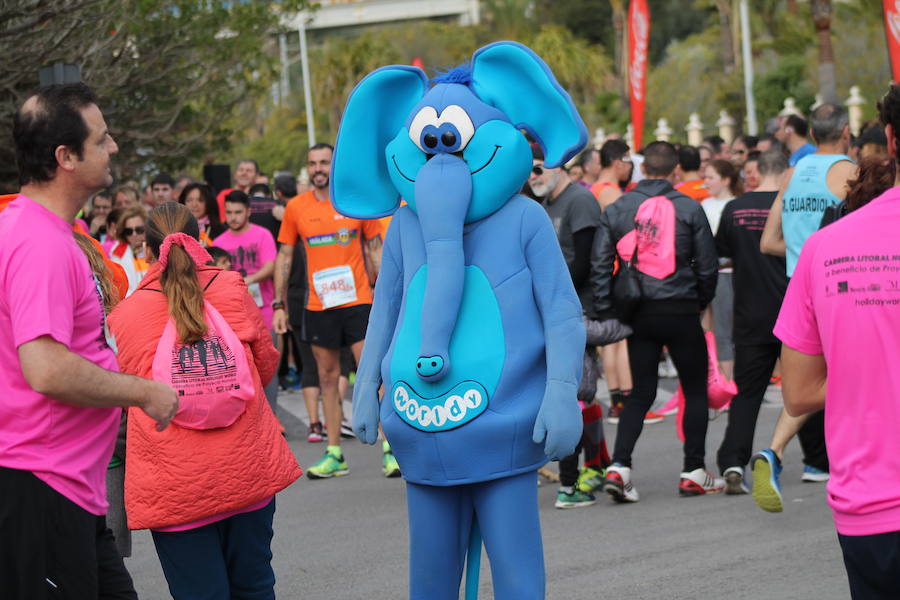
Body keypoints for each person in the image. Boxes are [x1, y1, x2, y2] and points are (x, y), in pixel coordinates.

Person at [1, 82, 178, 600]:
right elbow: (47, 369)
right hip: (43, 489)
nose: (114, 147)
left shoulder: (34, 230)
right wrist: (144, 392)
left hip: (67, 490)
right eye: (102, 139)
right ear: (66, 157)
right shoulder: (39, 243)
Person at [109, 202, 301, 599]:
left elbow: (124, 394)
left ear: (147, 249)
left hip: (176, 485)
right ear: (201, 241)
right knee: (256, 586)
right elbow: (264, 365)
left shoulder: (126, 314)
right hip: (246, 469)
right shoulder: (232, 288)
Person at [773, 85, 900, 599]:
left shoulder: (827, 246)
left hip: (872, 506)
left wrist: (866, 368)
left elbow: (799, 393)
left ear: (889, 139)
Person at [592, 141, 721, 502]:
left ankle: (619, 466)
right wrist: (698, 301)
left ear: (642, 168)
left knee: (641, 393)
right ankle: (693, 470)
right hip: (680, 308)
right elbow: (708, 265)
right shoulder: (689, 208)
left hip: (638, 312)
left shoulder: (618, 207)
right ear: (676, 170)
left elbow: (600, 264)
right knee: (694, 389)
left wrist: (608, 311)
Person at [753, 103, 855, 512]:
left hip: (798, 285)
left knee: (805, 384)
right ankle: (851, 463)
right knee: (849, 373)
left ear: (811, 131)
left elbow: (767, 242)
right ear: (846, 131)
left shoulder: (793, 174)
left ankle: (774, 452)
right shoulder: (849, 172)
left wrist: (803, 253)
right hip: (841, 283)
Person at [273, 143, 389, 478]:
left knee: (374, 376)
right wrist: (279, 303)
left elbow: (374, 250)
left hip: (358, 302)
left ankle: (390, 449)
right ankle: (335, 452)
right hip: (318, 305)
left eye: (324, 162)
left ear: (334, 164)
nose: (319, 168)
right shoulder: (296, 207)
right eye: (313, 163)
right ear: (307, 169)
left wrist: (386, 295)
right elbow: (285, 257)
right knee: (326, 378)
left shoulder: (354, 203)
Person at [529, 146, 607, 509]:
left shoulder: (580, 201)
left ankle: (577, 477)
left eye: (540, 168)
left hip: (578, 313)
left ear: (561, 166)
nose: (534, 176)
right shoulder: (544, 207)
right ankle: (592, 466)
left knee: (575, 393)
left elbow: (586, 263)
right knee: (577, 393)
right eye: (529, 171)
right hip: (552, 313)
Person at [713, 149, 789, 494]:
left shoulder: (735, 209)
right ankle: (820, 461)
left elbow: (721, 253)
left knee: (747, 394)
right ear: (786, 171)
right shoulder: (796, 204)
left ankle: (732, 459)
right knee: (807, 389)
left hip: (750, 313)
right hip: (793, 311)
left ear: (757, 172)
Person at [213, 190, 279, 413]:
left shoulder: (262, 235)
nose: (233, 217)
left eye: (238, 212)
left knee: (268, 368)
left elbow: (271, 266)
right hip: (232, 319)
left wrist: (245, 279)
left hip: (264, 312)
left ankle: (273, 419)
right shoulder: (218, 242)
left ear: (249, 212)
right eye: (229, 212)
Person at [703, 159, 743, 379]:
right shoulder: (705, 205)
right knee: (716, 328)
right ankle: (723, 377)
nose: (706, 182)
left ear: (726, 180)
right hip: (713, 273)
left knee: (730, 328)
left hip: (733, 272)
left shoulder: (737, 205)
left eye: (711, 177)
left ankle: (731, 378)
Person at [109, 206, 150, 296]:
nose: (134, 234)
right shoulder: (118, 254)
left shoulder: (157, 249)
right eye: (129, 231)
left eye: (139, 230)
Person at [178, 181, 223, 246]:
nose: (194, 205)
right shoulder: (177, 229)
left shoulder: (219, 230)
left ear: (209, 202)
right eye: (189, 200)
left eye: (200, 200)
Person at [590, 139, 632, 209]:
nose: (630, 166)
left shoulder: (594, 188)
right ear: (618, 163)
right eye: (629, 160)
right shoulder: (611, 194)